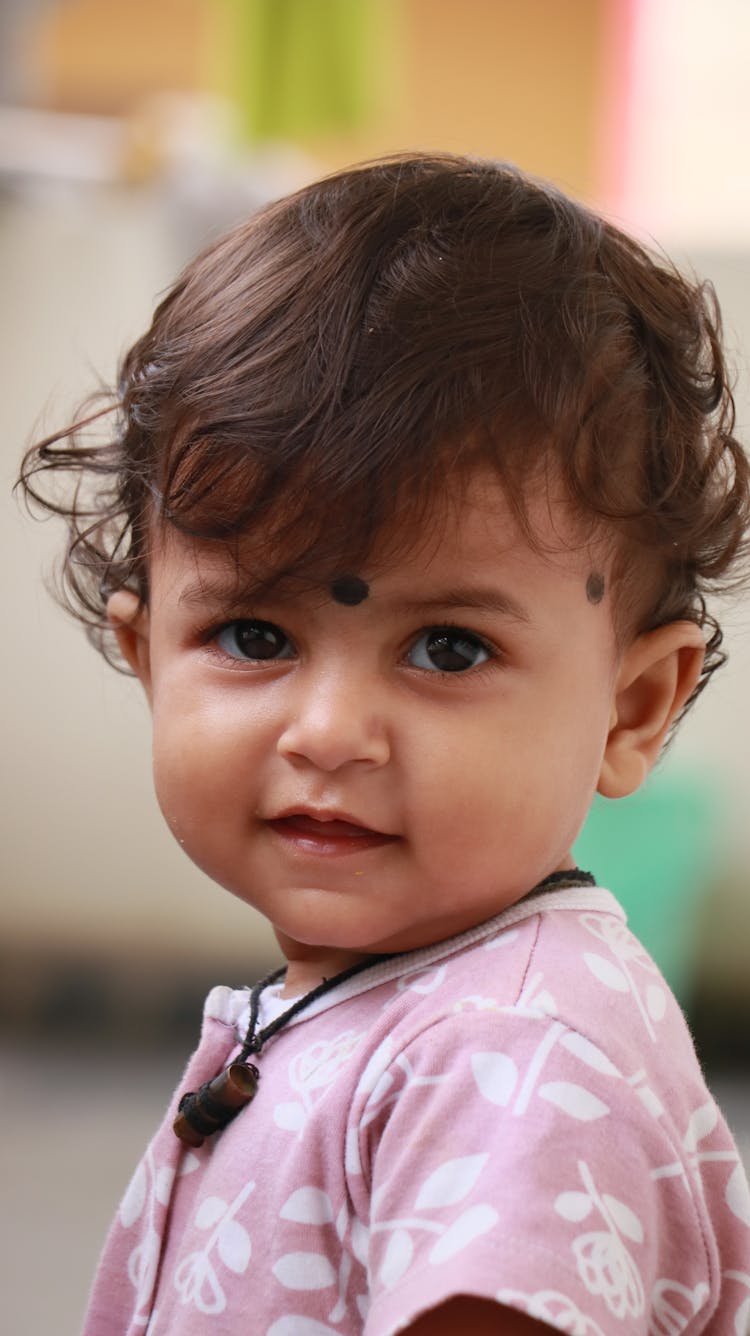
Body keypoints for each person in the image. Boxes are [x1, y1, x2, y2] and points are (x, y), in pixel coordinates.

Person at [19, 154, 750, 1335]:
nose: (329, 732)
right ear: (148, 653)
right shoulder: (395, 1011)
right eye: (255, 633)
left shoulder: (508, 1066)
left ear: (632, 706)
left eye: (448, 649)